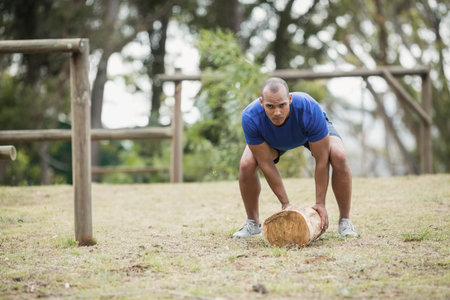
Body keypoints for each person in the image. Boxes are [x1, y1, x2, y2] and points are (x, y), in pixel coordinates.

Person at [232, 77, 358, 238]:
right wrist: (286, 204)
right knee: (246, 164)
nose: (277, 112)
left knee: (339, 155)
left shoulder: (309, 108)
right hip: (272, 140)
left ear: (289, 99)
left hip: (307, 134)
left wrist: (320, 203)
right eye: (270, 106)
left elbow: (321, 159)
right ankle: (252, 223)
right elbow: (266, 163)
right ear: (262, 103)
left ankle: (345, 221)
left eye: (282, 105)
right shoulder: (250, 117)